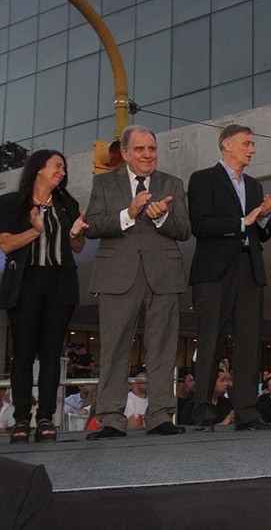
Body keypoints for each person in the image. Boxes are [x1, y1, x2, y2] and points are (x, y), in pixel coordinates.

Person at [84, 125, 191, 439]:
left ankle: (160, 416)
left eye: (152, 149)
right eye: (141, 149)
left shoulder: (173, 183)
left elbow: (184, 228)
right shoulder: (104, 183)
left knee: (163, 348)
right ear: (126, 153)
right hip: (117, 276)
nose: (148, 155)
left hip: (164, 276)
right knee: (114, 348)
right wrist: (127, 214)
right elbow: (92, 225)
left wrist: (161, 217)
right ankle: (111, 419)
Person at [188, 124, 271, 432]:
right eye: (247, 143)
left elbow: (263, 233)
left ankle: (247, 412)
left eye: (253, 144)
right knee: (211, 340)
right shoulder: (203, 179)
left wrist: (265, 215)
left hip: (249, 269)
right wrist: (242, 222)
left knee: (249, 342)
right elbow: (200, 225)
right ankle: (202, 409)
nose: (252, 149)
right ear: (226, 144)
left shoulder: (254, 185)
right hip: (214, 273)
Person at [0, 150, 87, 443]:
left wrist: (76, 233)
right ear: (38, 169)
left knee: (51, 354)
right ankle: (21, 418)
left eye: (63, 168)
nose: (61, 172)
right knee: (23, 353)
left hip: (59, 283)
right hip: (25, 282)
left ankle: (47, 417)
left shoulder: (67, 204)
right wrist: (35, 231)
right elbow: (7, 244)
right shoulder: (12, 204)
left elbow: (76, 247)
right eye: (56, 166)